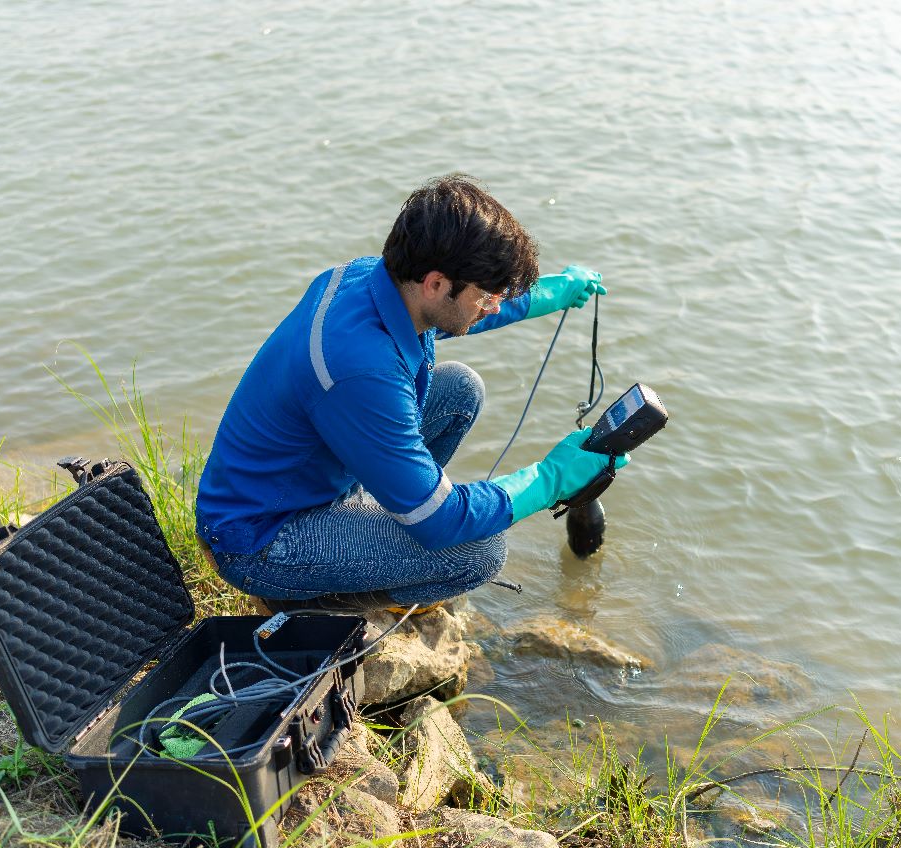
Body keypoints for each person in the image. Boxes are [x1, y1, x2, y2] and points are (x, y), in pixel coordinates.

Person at [195, 175, 627, 614]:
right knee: (478, 553)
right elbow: (443, 521)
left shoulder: (374, 277)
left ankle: (387, 542)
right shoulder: (362, 367)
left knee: (461, 389)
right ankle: (302, 598)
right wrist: (551, 477)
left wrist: (555, 292)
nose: (493, 305)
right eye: (487, 294)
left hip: (305, 482)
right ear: (436, 284)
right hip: (260, 538)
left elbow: (462, 315)